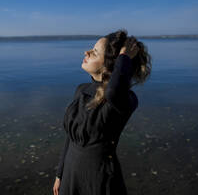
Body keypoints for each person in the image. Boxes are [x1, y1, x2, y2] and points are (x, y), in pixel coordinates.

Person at [53, 29, 152, 195]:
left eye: (95, 52)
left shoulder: (124, 100)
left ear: (109, 65)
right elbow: (71, 137)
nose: (87, 52)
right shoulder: (82, 90)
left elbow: (113, 91)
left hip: (99, 178)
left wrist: (124, 56)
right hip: (70, 174)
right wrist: (59, 173)